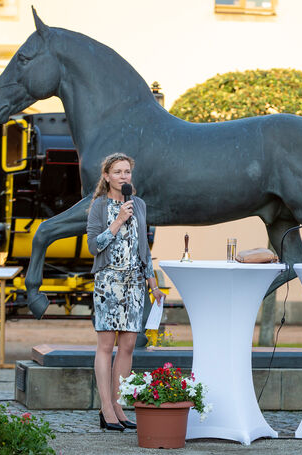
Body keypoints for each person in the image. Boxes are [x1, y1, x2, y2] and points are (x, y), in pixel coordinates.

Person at [86, 153, 166, 431]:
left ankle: (119, 405)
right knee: (106, 346)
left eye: (127, 172)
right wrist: (118, 221)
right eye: (118, 172)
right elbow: (94, 246)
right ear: (106, 176)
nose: (124, 176)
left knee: (129, 345)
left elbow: (144, 246)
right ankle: (105, 408)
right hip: (108, 282)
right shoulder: (98, 205)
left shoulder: (139, 204)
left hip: (134, 283)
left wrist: (152, 282)